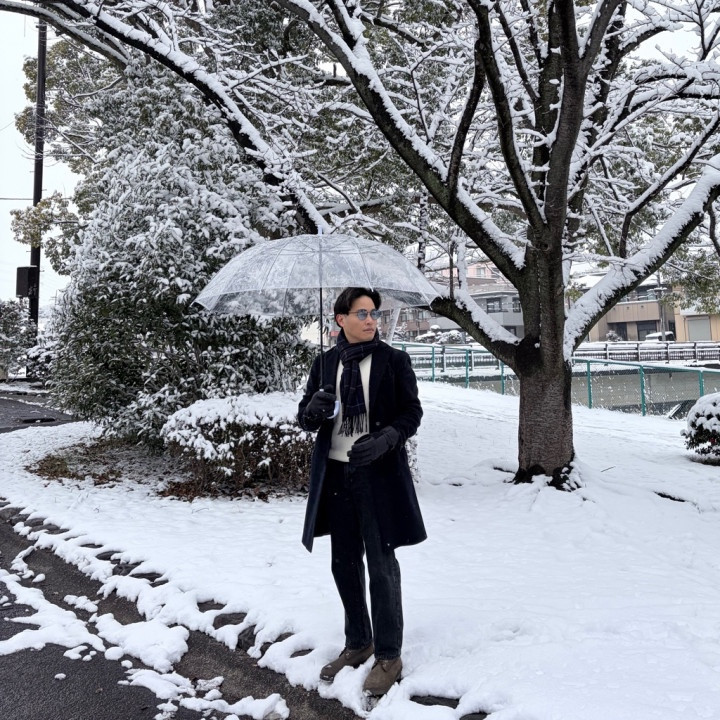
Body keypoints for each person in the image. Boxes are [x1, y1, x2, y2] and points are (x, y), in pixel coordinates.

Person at [297, 286, 426, 698]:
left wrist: (387, 438)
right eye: (362, 314)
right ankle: (358, 641)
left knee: (382, 565)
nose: (371, 320)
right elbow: (305, 418)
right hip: (336, 476)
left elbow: (412, 412)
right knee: (344, 562)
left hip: (378, 476)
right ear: (341, 319)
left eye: (374, 313)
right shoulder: (325, 363)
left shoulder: (393, 360)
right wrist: (312, 411)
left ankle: (388, 655)